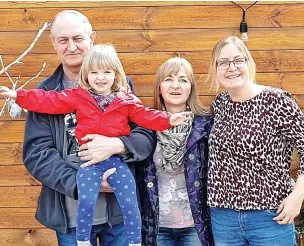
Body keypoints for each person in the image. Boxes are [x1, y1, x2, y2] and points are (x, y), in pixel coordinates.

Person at [0, 44, 191, 246]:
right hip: (89, 166)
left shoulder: (126, 99)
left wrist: (168, 120)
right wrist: (18, 96)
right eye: (94, 72)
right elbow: (48, 100)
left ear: (115, 74)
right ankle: (82, 240)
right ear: (86, 75)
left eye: (107, 72)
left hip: (116, 165)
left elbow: (145, 116)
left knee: (130, 200)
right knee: (87, 200)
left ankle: (135, 241)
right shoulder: (78, 97)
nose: (101, 77)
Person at [11, 10, 155, 246]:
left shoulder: (119, 86)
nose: (72, 47)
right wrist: (82, 184)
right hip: (71, 216)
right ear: (53, 43)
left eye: (78, 38)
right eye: (63, 40)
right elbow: (37, 154)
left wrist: (118, 145)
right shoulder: (45, 92)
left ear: (92, 39)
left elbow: (144, 134)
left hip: (117, 214)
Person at [207, 36, 304, 246]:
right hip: (224, 217)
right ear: (215, 69)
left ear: (249, 63)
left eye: (238, 60)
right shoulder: (220, 104)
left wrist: (298, 195)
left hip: (270, 216)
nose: (231, 68)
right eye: (223, 62)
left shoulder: (277, 101)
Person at [136, 57, 214, 246]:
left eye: (183, 79)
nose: (175, 85)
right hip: (156, 226)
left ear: (191, 88)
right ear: (159, 87)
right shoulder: (144, 125)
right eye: (169, 79)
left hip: (196, 225)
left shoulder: (205, 125)